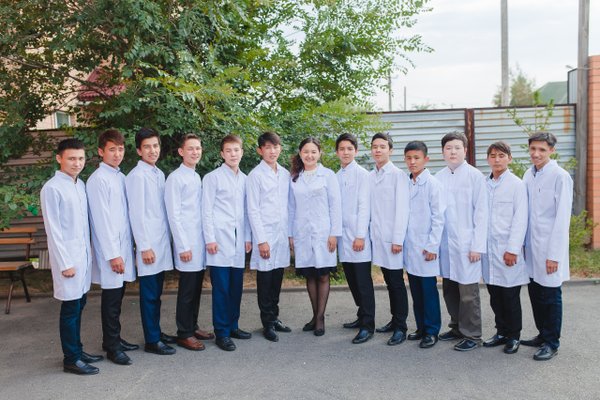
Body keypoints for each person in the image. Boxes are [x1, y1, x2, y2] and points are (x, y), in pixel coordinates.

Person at [41, 138, 102, 375]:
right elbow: (54, 230)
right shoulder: (52, 188)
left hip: (82, 257)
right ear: (59, 158)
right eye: (71, 158)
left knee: (79, 305)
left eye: (80, 158)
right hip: (68, 260)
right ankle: (71, 358)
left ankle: (78, 350)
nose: (77, 163)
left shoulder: (80, 184)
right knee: (70, 309)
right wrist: (65, 263)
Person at [87, 129, 138, 366]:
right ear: (101, 152)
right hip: (111, 251)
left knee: (118, 298)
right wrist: (113, 255)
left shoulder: (120, 176)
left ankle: (114, 339)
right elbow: (101, 221)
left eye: (120, 149)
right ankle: (112, 347)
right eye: (112, 149)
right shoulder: (98, 180)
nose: (117, 154)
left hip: (123, 246)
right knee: (111, 299)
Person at [521, 132, 573, 361]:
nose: (536, 154)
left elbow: (562, 219)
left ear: (551, 150)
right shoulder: (528, 174)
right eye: (533, 149)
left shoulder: (560, 177)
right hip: (531, 246)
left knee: (550, 295)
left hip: (550, 248)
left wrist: (554, 255)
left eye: (542, 149)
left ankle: (552, 342)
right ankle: (542, 334)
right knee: (535, 292)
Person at [435, 132, 488, 352]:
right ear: (443, 152)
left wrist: (477, 245)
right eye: (448, 148)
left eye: (457, 147)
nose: (453, 152)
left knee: (468, 293)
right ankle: (456, 326)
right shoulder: (438, 177)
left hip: (467, 245)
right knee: (449, 288)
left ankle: (472, 334)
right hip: (446, 244)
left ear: (465, 150)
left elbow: (482, 214)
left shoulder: (475, 176)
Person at [126, 127, 176, 356]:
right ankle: (152, 340)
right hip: (149, 245)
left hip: (160, 242)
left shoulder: (158, 173)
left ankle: (156, 332)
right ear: (139, 150)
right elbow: (136, 214)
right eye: (147, 147)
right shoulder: (137, 176)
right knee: (149, 295)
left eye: (155, 146)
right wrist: (144, 246)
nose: (152, 150)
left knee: (157, 293)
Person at [165, 133, 215, 352]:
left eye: (198, 148)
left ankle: (192, 326)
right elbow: (174, 215)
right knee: (186, 291)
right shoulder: (176, 178)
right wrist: (182, 246)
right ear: (181, 152)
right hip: (186, 244)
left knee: (196, 289)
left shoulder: (195, 176)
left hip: (198, 242)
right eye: (190, 148)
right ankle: (184, 333)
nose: (195, 152)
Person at [202, 134, 252, 352]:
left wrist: (248, 237)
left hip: (238, 241)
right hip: (219, 241)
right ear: (222, 154)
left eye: (236, 150)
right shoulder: (212, 178)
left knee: (236, 287)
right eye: (229, 151)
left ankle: (233, 326)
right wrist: (210, 239)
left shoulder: (245, 179)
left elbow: (247, 212)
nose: (233, 154)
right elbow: (206, 211)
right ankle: (221, 332)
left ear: (242, 152)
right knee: (221, 289)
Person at [289, 137, 342, 337]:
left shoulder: (328, 175)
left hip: (323, 233)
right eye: (306, 152)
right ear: (300, 153)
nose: (309, 155)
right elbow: (291, 208)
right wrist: (291, 234)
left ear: (319, 153)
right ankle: (314, 315)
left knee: (322, 274)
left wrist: (334, 233)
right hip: (302, 233)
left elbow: (335, 206)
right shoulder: (295, 177)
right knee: (310, 274)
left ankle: (320, 318)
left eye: (313, 151)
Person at [481, 141, 528, 355]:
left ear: (509, 158)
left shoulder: (517, 185)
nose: (497, 159)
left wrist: (513, 249)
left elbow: (521, 219)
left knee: (510, 296)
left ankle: (513, 336)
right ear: (488, 159)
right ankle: (500, 332)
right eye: (492, 156)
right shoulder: (484, 184)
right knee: (495, 295)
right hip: (489, 250)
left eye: (501, 155)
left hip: (507, 249)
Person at [246, 132, 292, 342]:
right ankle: (267, 323)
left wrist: (289, 234)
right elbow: (253, 210)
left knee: (277, 279)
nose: (272, 151)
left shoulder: (285, 174)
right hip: (265, 236)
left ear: (280, 148)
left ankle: (275, 317)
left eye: (275, 147)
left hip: (281, 235)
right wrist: (261, 240)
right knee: (265, 281)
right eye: (267, 147)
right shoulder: (255, 176)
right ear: (260, 150)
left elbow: (288, 206)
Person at [403, 140, 445, 349]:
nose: (412, 162)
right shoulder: (406, 182)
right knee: (416, 290)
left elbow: (438, 217)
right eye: (409, 158)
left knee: (428, 291)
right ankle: (420, 327)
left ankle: (431, 330)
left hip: (426, 247)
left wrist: (432, 246)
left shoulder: (433, 184)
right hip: (411, 246)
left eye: (416, 158)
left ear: (426, 159)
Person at [369, 132, 410, 346]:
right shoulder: (371, 175)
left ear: (390, 150)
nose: (378, 150)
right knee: (388, 281)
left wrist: (397, 239)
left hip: (393, 239)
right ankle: (394, 320)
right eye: (374, 146)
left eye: (382, 146)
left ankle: (401, 327)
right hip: (378, 237)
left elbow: (402, 210)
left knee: (396, 283)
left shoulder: (398, 175)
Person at [335, 133, 375, 344]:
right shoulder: (336, 175)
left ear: (356, 151)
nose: (346, 152)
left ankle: (368, 325)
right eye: (342, 149)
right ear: (337, 152)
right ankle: (361, 315)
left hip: (358, 238)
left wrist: (360, 235)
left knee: (363, 282)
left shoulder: (363, 175)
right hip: (344, 238)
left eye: (350, 149)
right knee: (351, 279)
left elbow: (364, 206)